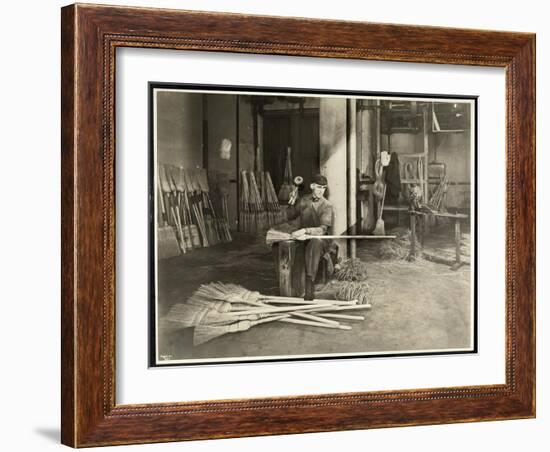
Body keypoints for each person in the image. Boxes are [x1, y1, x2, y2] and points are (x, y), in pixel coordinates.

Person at [286, 174, 334, 300]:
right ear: (312, 186)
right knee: (286, 245)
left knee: (315, 243)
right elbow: (290, 216)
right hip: (303, 238)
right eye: (318, 187)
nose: (321, 190)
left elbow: (322, 230)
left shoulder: (327, 205)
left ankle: (309, 286)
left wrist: (305, 230)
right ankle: (292, 287)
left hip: (321, 241)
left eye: (323, 188)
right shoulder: (304, 200)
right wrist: (291, 202)